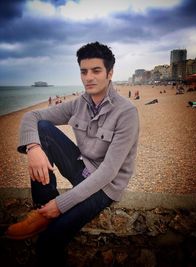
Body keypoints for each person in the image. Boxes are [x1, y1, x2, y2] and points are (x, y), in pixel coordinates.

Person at [6, 42, 139, 266]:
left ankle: (47, 215)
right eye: (83, 71)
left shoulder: (126, 112)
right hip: (81, 167)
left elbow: (108, 172)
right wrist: (33, 148)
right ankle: (42, 211)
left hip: (105, 187)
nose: (89, 77)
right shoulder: (79, 103)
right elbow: (32, 117)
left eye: (96, 71)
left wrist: (61, 204)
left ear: (110, 73)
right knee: (43, 129)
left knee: (48, 242)